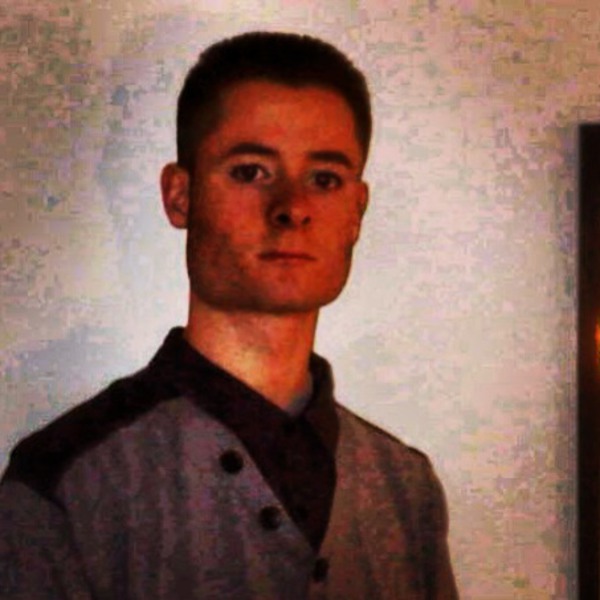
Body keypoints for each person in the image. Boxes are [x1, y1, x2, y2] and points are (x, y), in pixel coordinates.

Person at [0, 32, 458, 599]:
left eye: (324, 180)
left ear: (357, 211)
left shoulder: (408, 491)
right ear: (180, 195)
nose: (292, 208)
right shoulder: (66, 487)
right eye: (250, 171)